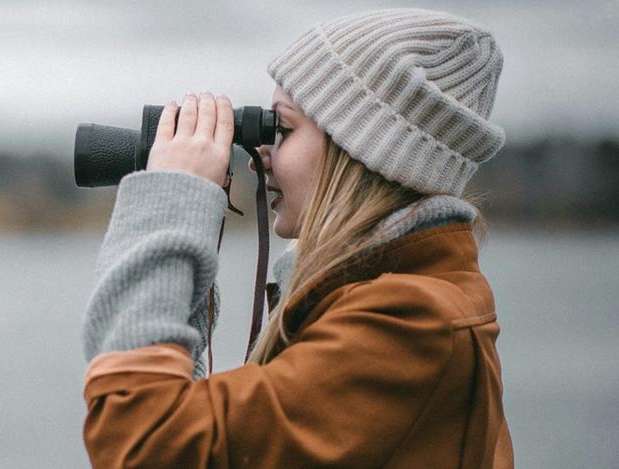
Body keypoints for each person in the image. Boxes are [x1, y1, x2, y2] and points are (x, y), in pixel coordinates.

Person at [81, 8, 512, 468]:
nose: (259, 157)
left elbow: (143, 442)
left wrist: (169, 206)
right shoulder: (389, 302)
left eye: (282, 129)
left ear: (360, 149)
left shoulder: (409, 324)